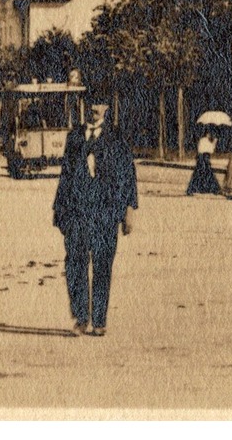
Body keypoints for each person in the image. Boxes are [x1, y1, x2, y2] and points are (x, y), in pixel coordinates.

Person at [52, 100, 138, 337]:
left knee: (102, 266)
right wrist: (59, 210)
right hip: (77, 212)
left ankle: (99, 319)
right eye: (91, 104)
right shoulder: (75, 136)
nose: (95, 109)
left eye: (100, 105)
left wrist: (129, 209)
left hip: (105, 212)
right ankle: (81, 317)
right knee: (75, 265)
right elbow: (65, 174)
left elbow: (128, 173)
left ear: (107, 109)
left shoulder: (116, 137)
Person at [186, 127, 221, 196]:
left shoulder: (202, 140)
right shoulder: (205, 141)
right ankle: (214, 189)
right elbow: (210, 150)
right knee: (207, 174)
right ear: (207, 134)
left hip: (201, 158)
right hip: (204, 158)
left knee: (200, 174)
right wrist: (214, 142)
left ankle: (194, 189)